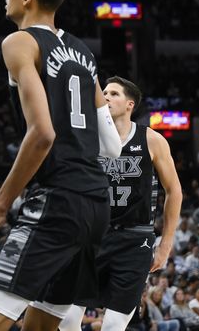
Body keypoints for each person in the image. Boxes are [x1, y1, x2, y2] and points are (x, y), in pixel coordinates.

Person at [0, 0, 121, 331]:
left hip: (57, 202)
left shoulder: (19, 42)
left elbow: (43, 134)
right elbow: (111, 145)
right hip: (95, 206)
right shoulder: (84, 52)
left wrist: (0, 206)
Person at [58, 76, 183, 331]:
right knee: (67, 318)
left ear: (130, 104)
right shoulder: (87, 137)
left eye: (113, 93)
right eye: (103, 92)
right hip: (91, 236)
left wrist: (165, 245)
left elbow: (174, 191)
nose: (105, 96)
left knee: (114, 325)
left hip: (134, 240)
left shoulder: (152, 140)